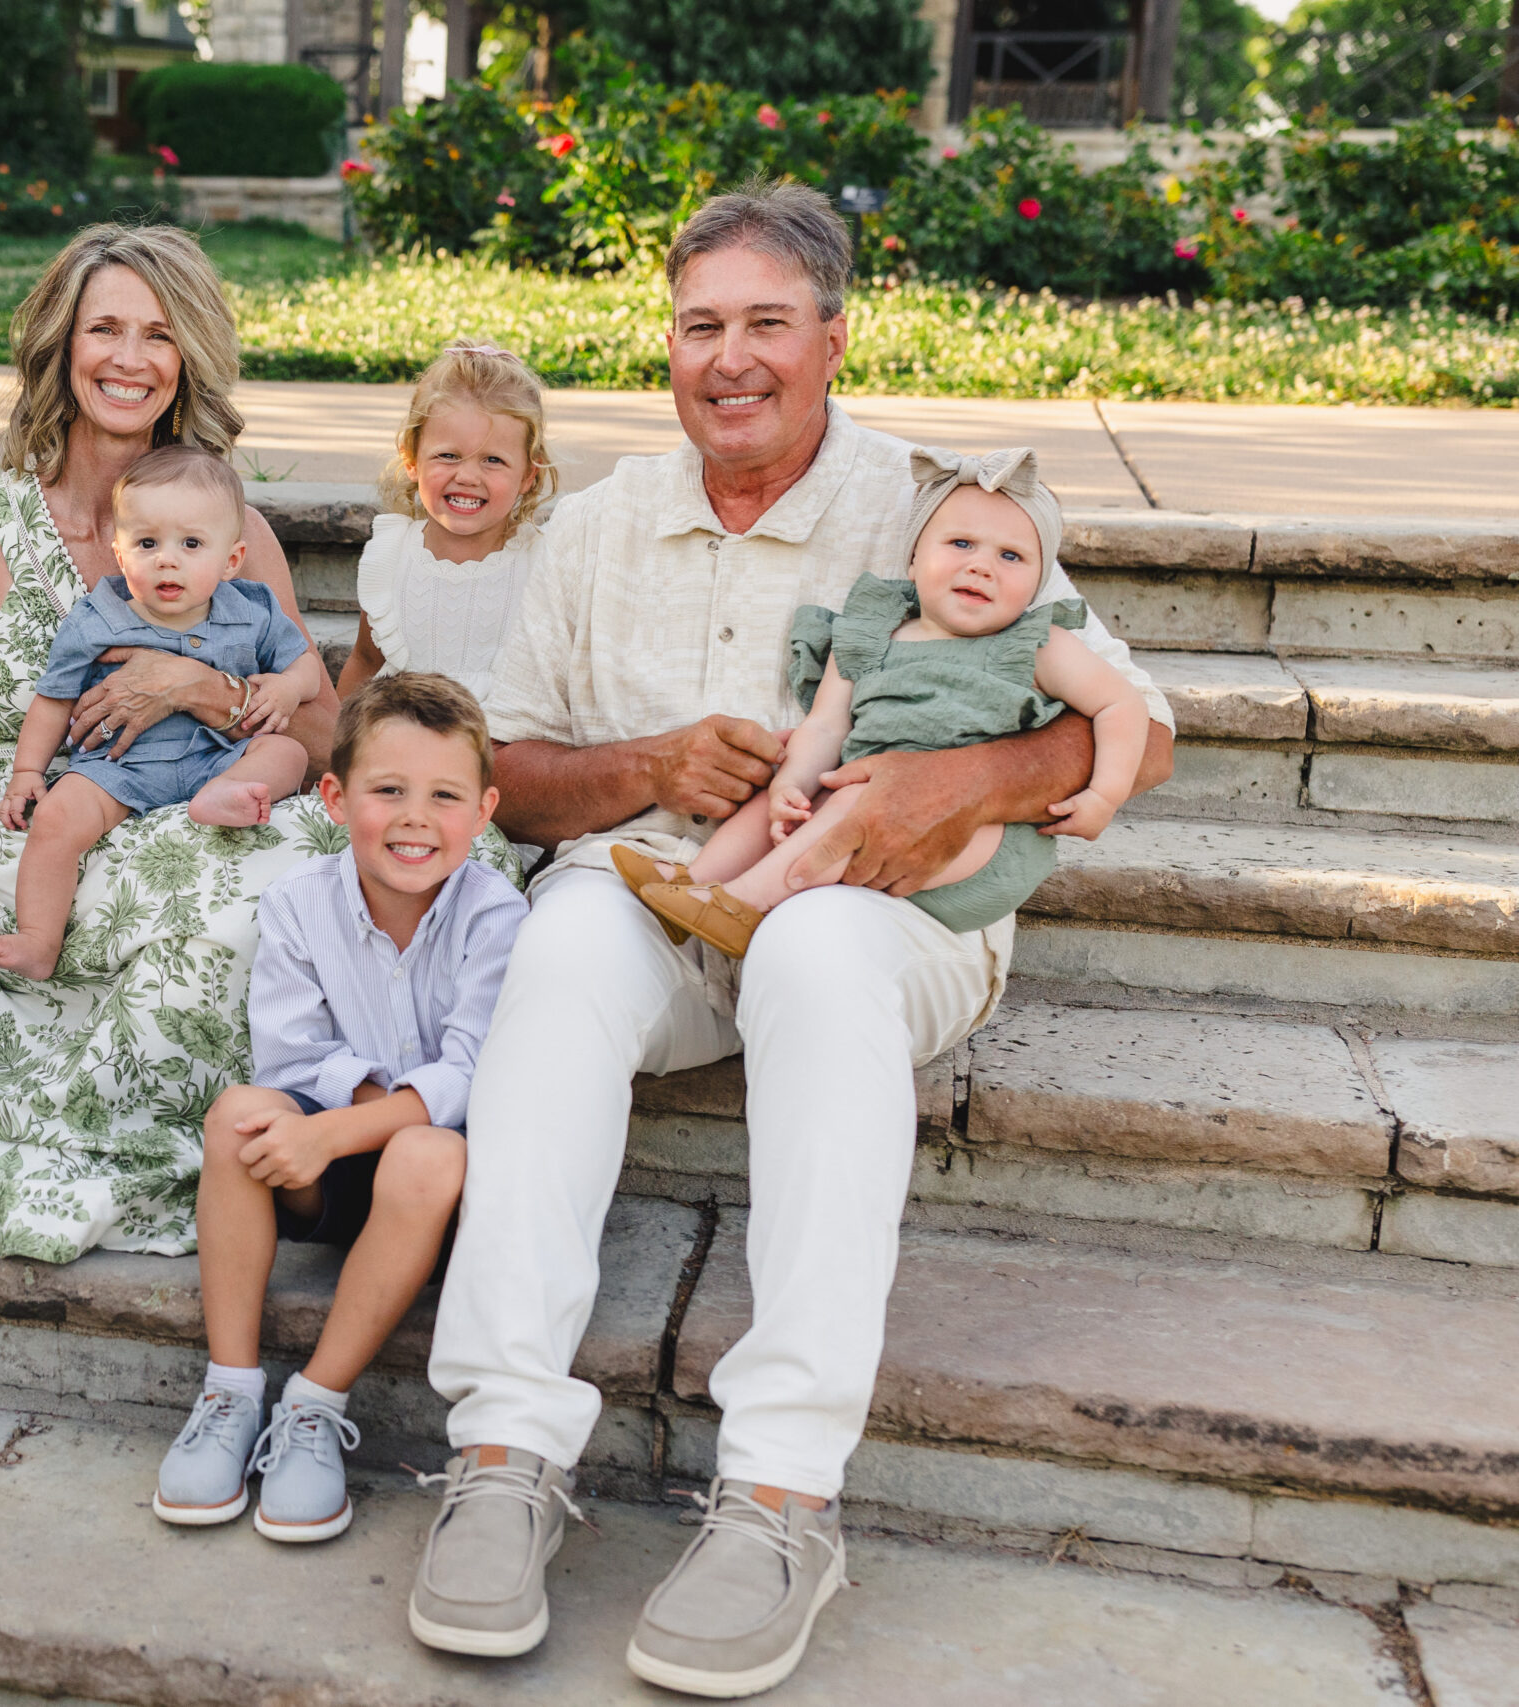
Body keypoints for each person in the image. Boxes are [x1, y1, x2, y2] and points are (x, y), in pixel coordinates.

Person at [400, 184, 1177, 1695]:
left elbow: (1141, 734)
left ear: (835, 337)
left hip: (885, 916)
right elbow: (519, 774)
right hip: (669, 895)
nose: (731, 357)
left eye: (769, 322)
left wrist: (975, 772)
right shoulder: (604, 521)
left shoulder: (929, 502)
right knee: (558, 945)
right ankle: (500, 1447)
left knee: (817, 951)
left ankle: (782, 1494)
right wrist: (647, 768)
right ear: (668, 345)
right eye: (702, 326)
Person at [0, 223, 514, 1264]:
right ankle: (319, 1149)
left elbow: (324, 727)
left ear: (187, 357)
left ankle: (374, 1125)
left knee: (436, 857)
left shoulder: (233, 531)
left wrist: (204, 687)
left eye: (158, 334)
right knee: (262, 904)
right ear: (61, 343)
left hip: (202, 795)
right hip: (46, 826)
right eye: (103, 328)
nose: (128, 358)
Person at [154, 673, 523, 1544]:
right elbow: (292, 1056)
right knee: (240, 1112)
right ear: (333, 796)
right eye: (387, 790)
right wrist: (327, 1126)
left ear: (484, 810)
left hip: (432, 1196)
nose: (414, 818)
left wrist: (338, 1127)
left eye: (444, 796)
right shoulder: (296, 902)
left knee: (428, 1150)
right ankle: (232, 1391)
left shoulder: (497, 916)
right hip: (318, 1175)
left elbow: (469, 1074)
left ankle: (314, 1406)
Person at [625, 446, 1149, 957]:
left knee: (862, 797)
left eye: (1011, 556)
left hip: (975, 839)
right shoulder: (875, 630)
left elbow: (1121, 704)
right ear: (915, 556)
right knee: (782, 793)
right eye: (961, 544)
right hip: (859, 801)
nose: (982, 567)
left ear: (1038, 581)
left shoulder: (1037, 646)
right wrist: (792, 783)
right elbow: (826, 727)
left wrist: (1104, 795)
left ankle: (744, 905)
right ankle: (694, 880)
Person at [0, 447, 329, 981]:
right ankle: (37, 938)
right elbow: (53, 699)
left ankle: (225, 795)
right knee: (54, 821)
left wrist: (285, 687)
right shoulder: (97, 619)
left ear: (231, 559)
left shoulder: (251, 610)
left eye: (191, 544)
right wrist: (28, 772)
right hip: (118, 768)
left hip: (220, 756)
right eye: (147, 543)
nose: (167, 558)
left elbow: (304, 664)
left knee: (286, 750)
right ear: (120, 555)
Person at [336, 340, 556, 705]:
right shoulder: (391, 557)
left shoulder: (542, 561)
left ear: (528, 475)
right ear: (411, 460)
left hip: (502, 747)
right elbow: (365, 662)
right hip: (402, 740)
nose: (468, 476)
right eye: (448, 456)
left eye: (493, 460)